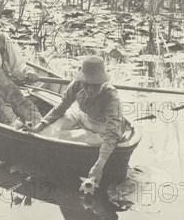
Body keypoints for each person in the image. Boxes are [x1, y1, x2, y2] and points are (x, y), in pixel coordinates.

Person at [32, 56, 130, 189]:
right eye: (86, 84)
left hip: (102, 126)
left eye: (95, 85)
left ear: (102, 82)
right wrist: (40, 125)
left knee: (101, 139)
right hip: (82, 115)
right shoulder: (77, 84)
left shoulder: (111, 97)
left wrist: (99, 165)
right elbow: (61, 108)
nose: (89, 89)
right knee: (51, 130)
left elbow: (112, 132)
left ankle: (88, 139)